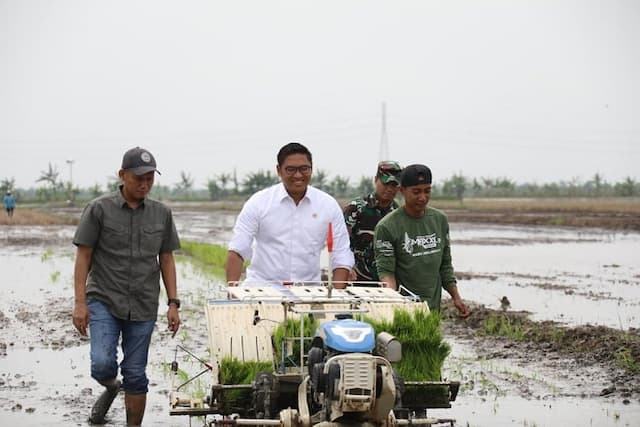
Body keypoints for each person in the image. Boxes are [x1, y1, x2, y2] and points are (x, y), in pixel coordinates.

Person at [72, 147, 181, 425]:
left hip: (144, 304)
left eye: (149, 179)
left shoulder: (161, 213)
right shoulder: (99, 209)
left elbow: (166, 259)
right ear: (122, 175)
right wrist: (80, 302)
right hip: (104, 299)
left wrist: (173, 303)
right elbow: (83, 257)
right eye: (138, 178)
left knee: (135, 373)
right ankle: (110, 386)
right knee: (101, 364)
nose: (144, 184)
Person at [226, 142, 354, 284]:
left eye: (304, 169)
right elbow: (238, 250)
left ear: (312, 169)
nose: (298, 175)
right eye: (291, 169)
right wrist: (232, 292)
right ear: (279, 170)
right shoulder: (258, 203)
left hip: (308, 294)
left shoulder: (328, 206)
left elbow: (341, 254)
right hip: (262, 291)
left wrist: (335, 296)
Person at [374, 164, 470, 317]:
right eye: (416, 192)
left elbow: (445, 264)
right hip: (403, 309)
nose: (423, 197)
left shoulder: (439, 220)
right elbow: (386, 272)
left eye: (427, 191)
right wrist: (391, 301)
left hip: (432, 308)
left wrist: (456, 298)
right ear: (402, 191)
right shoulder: (387, 227)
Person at [343, 161, 402, 282]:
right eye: (385, 184)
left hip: (387, 280)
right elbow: (341, 241)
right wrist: (347, 267)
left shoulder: (398, 213)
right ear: (376, 180)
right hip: (356, 278)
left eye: (394, 185)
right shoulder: (356, 208)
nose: (389, 189)